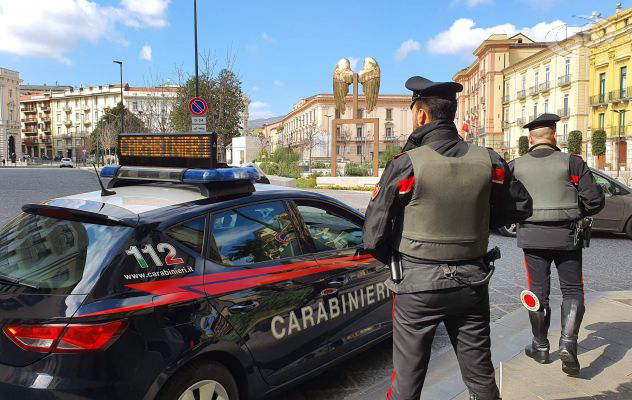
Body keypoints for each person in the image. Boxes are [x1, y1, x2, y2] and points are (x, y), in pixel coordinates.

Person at [362, 76, 533, 400]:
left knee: (406, 383)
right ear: (451, 113)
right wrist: (482, 223)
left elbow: (373, 235)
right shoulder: (490, 160)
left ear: (421, 115)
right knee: (481, 377)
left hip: (417, 288)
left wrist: (404, 259)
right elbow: (522, 207)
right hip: (472, 282)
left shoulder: (406, 165)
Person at [510, 113, 605, 375]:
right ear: (554, 135)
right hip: (567, 236)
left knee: (537, 293)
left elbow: (503, 203)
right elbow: (594, 200)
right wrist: (578, 211)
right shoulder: (572, 163)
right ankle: (568, 342)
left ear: (530, 139)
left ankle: (540, 347)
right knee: (572, 290)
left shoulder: (515, 165)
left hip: (531, 237)